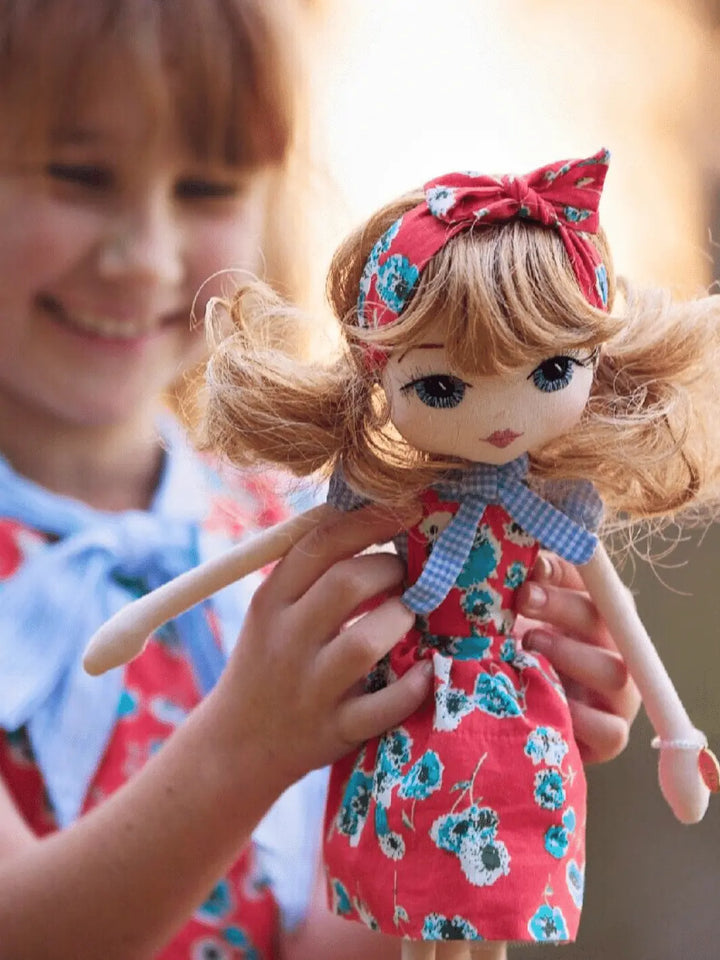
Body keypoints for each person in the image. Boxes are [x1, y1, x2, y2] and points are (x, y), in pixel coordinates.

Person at [0, 3, 639, 958]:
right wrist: (244, 749)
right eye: (79, 174)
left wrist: (469, 769)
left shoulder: (298, 526)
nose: (146, 257)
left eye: (208, 187)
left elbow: (319, 941)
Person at [181, 150, 720, 958]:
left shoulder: (552, 511)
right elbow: (275, 543)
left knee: (489, 915)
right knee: (411, 910)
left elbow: (620, 619)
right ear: (379, 375)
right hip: (413, 715)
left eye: (550, 371)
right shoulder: (395, 505)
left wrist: (676, 735)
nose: (501, 418)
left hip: (512, 728)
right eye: (441, 387)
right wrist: (152, 619)